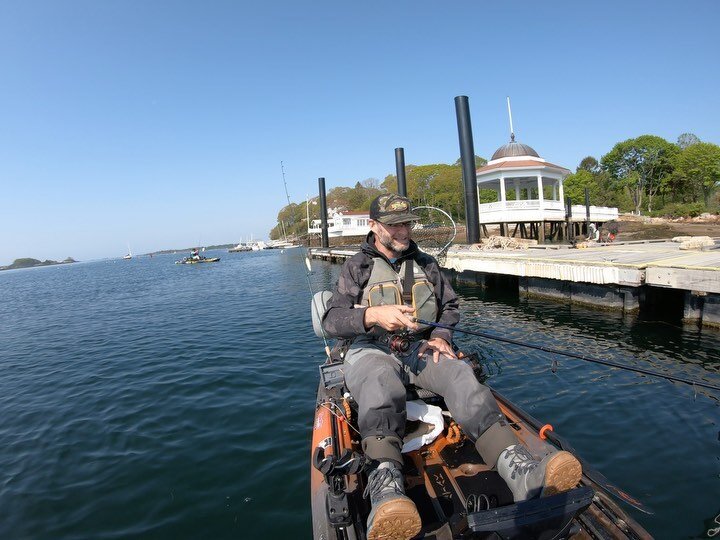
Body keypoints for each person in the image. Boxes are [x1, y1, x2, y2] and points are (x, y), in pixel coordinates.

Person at [322, 194, 582, 540]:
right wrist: (372, 315)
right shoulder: (357, 266)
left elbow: (450, 307)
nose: (404, 231)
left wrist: (442, 335)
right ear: (374, 226)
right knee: (380, 381)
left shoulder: (427, 264)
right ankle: (387, 486)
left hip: (420, 348)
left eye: (408, 223)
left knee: (461, 372)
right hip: (372, 349)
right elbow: (332, 320)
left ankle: (519, 470)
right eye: (394, 225)